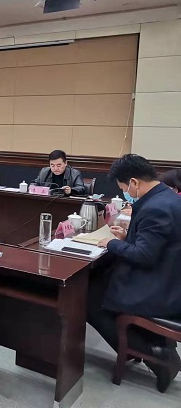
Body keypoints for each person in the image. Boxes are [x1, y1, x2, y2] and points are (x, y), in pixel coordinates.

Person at [89, 154, 181, 393]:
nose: (125, 193)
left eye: (123, 188)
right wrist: (127, 238)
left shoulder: (156, 208)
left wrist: (112, 244)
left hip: (160, 287)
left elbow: (144, 255)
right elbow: (155, 244)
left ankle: (155, 355)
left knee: (88, 300)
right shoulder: (166, 197)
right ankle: (151, 343)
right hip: (167, 275)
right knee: (97, 281)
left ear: (134, 182)